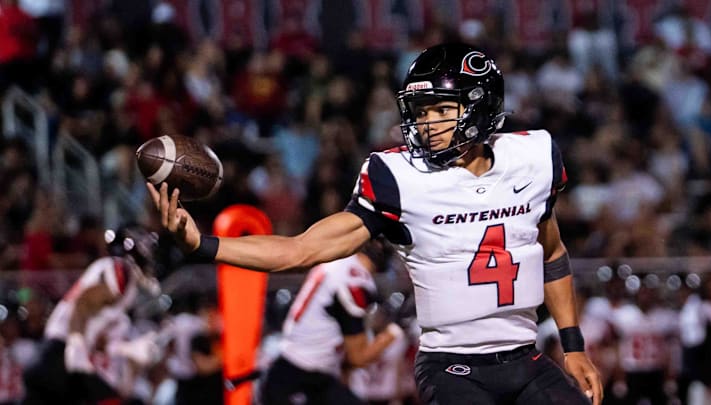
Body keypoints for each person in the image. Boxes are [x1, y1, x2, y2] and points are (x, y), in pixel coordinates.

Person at [148, 42, 603, 404]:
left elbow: (552, 253)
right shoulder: (400, 178)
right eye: (421, 113)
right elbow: (301, 249)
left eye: (442, 110)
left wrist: (574, 345)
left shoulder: (532, 157)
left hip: (527, 358)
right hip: (452, 368)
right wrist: (202, 245)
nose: (427, 125)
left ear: (480, 107)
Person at [22, 224, 162, 405]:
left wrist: (128, 349)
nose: (149, 254)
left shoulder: (124, 279)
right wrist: (76, 342)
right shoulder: (119, 270)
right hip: (58, 357)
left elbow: (98, 339)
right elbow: (84, 302)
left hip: (58, 359)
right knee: (108, 399)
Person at [260, 241, 404, 405]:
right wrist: (395, 331)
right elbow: (358, 357)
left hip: (297, 372)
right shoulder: (354, 280)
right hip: (300, 378)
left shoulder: (337, 262)